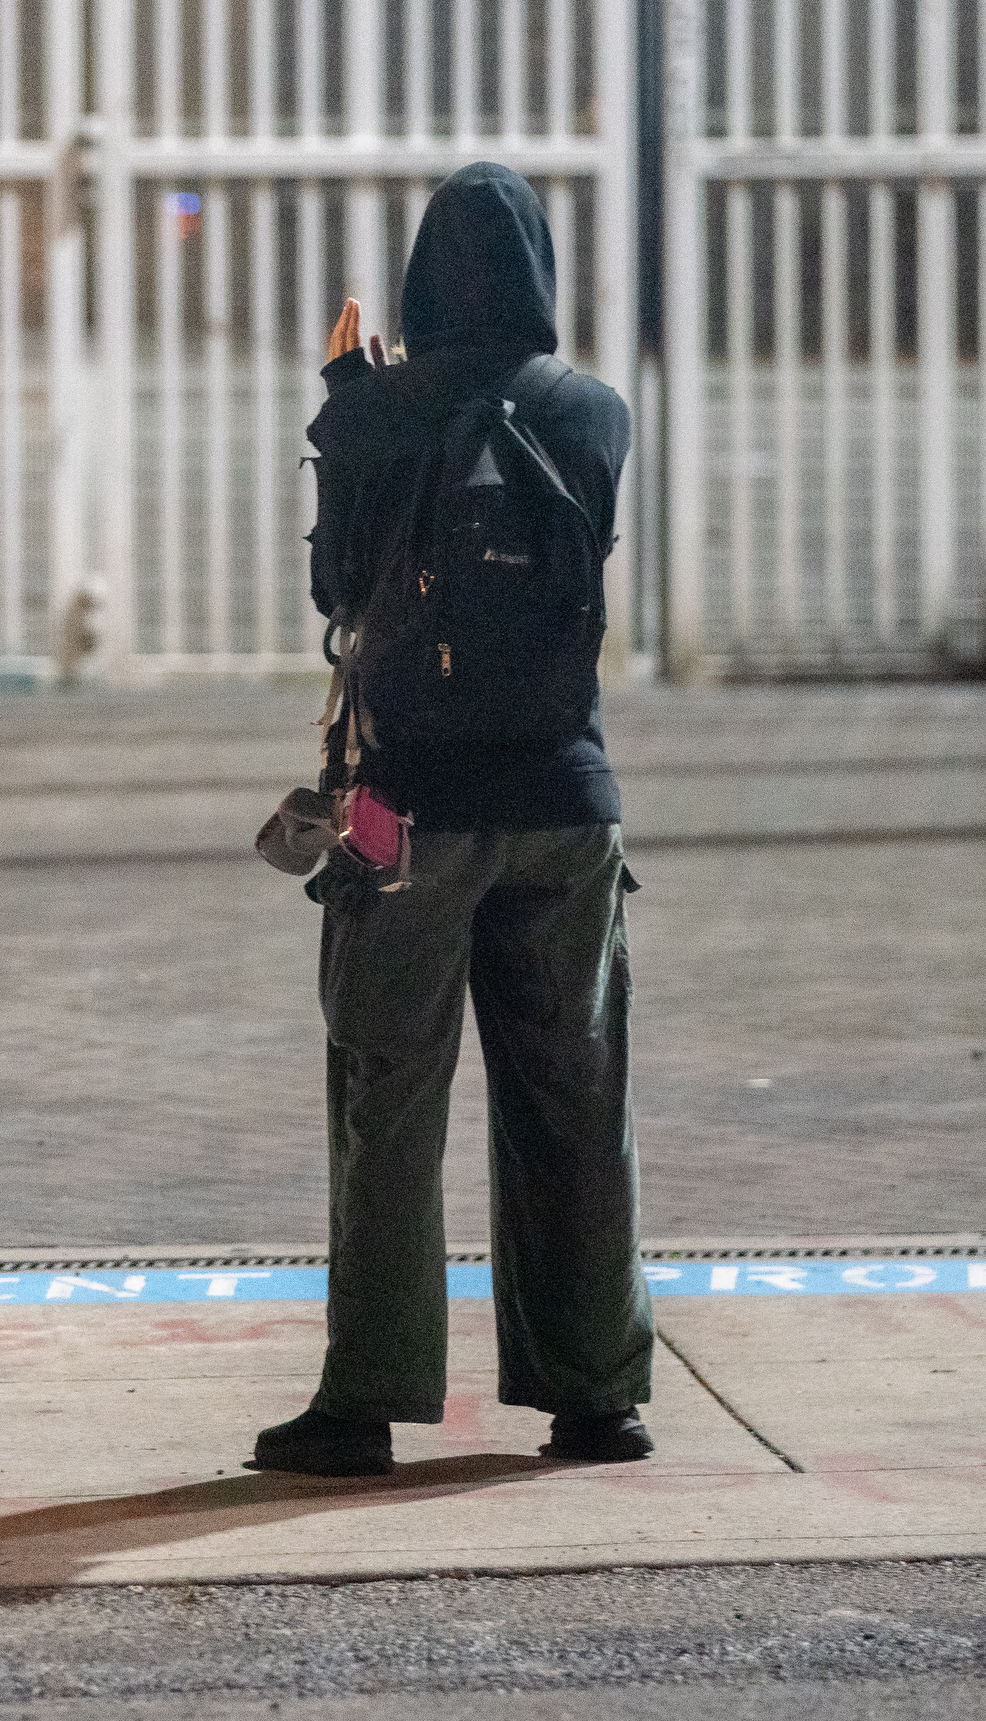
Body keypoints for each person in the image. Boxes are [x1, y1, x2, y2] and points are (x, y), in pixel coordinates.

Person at [252, 163, 655, 1478]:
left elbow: (332, 586)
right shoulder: (595, 415)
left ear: (423, 276)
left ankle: (362, 1404)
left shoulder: (371, 417)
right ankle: (595, 1398)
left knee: (387, 1092)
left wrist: (344, 397)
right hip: (565, 805)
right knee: (573, 1098)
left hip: (404, 812)